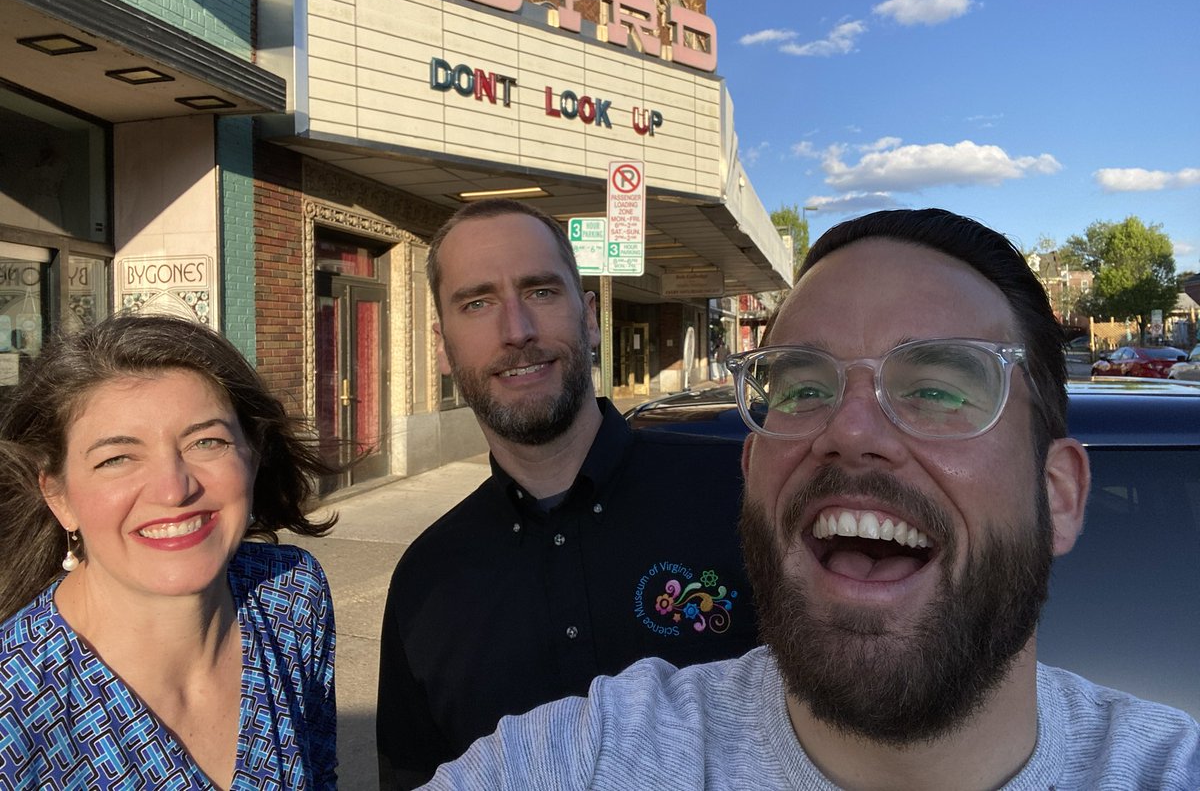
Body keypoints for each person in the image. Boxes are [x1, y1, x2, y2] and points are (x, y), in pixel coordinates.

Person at [424, 208, 1200, 790]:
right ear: (752, 470)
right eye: (801, 387)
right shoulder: (592, 756)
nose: (850, 429)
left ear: (1059, 497)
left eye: (935, 385)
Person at [376, 199, 758, 788]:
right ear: (443, 347)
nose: (517, 331)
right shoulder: (425, 581)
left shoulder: (741, 495)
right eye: (477, 303)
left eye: (541, 292)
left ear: (589, 315)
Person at [0, 314, 340, 789]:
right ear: (59, 495)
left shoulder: (290, 597)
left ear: (253, 456)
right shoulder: (14, 705)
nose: (173, 489)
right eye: (116, 458)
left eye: (207, 442)